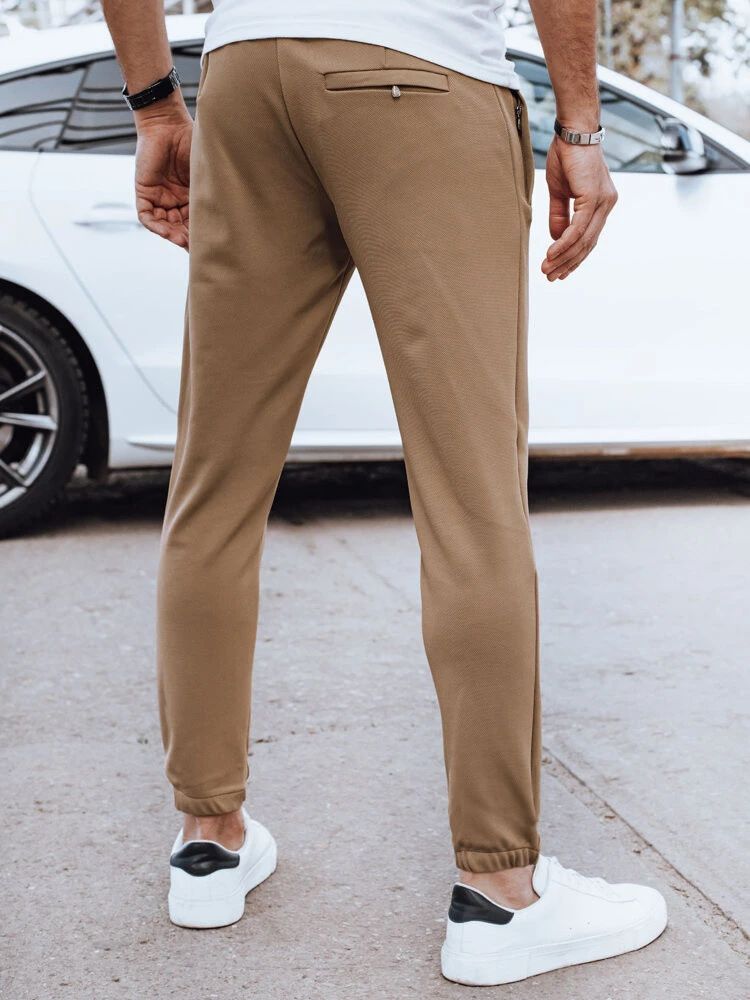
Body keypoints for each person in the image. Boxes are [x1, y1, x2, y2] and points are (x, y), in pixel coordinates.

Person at [102, 0, 667, 985]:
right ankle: (500, 894)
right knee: (472, 494)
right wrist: (580, 128)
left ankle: (207, 840)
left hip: (247, 71)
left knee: (213, 485)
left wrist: (156, 107)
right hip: (423, 69)